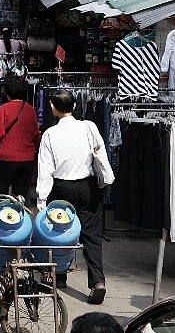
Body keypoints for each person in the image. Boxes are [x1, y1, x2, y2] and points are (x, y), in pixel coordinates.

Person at [36, 89, 109, 304]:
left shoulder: (50, 134)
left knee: (59, 234)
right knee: (91, 235)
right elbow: (101, 155)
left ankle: (59, 276)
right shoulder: (89, 127)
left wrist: (41, 200)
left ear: (52, 107)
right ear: (75, 106)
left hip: (61, 189)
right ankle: (98, 281)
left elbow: (45, 169)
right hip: (87, 187)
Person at [0, 74, 40, 201]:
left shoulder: (4, 109)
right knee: (20, 197)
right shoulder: (30, 110)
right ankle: (20, 220)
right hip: (27, 159)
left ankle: (1, 219)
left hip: (6, 158)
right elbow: (36, 136)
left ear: (7, 92)